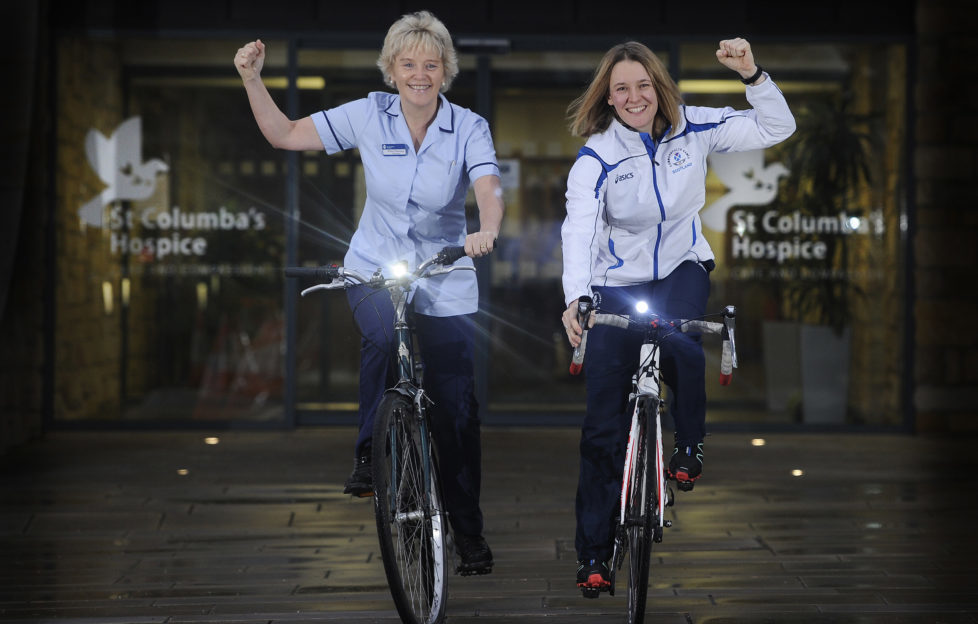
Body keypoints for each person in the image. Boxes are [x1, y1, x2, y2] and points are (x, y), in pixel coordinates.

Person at [234, 10, 503, 576]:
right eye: (408, 64)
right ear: (391, 69)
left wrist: (487, 228)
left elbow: (488, 186)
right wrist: (253, 79)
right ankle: (366, 452)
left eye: (431, 64)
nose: (420, 74)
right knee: (383, 339)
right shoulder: (368, 115)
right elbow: (284, 135)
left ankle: (468, 532)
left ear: (445, 71)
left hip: (445, 275)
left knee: (457, 415)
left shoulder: (469, 126)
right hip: (375, 267)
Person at [559, 39, 795, 593]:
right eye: (622, 88)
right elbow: (578, 229)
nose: (635, 96)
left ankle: (688, 446)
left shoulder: (696, 126)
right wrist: (577, 297)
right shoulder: (597, 156)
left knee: (684, 341)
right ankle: (593, 555)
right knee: (600, 431)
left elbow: (774, 128)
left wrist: (752, 75)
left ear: (658, 86)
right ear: (609, 97)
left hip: (683, 267)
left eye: (643, 84)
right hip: (615, 284)